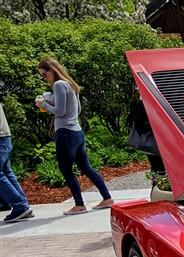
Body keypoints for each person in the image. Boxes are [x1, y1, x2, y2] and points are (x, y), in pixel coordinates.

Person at [36, 58, 112, 215]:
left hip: (65, 133)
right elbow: (76, 111)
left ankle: (79, 205)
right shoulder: (70, 84)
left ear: (51, 71)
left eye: (44, 75)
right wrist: (49, 100)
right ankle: (107, 198)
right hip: (76, 131)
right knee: (86, 167)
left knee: (66, 169)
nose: (44, 78)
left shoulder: (58, 85)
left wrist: (43, 104)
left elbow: (60, 111)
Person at [0, 103, 33, 224]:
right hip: (4, 137)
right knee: (7, 172)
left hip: (1, 138)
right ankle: (23, 205)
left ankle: (20, 206)